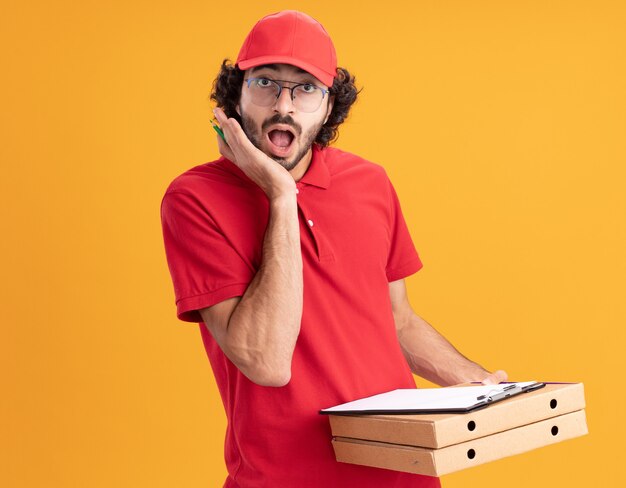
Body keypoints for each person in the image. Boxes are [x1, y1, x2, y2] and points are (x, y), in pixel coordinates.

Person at [160, 10, 507, 488]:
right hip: (283, 478)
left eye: (306, 88)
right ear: (234, 98)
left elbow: (398, 319)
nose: (284, 105)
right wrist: (281, 196)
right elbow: (265, 362)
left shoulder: (370, 183)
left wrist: (481, 386)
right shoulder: (194, 199)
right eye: (265, 82)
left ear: (329, 107)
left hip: (401, 473)